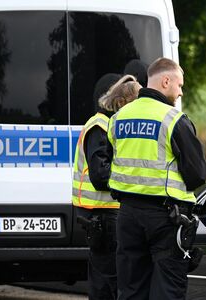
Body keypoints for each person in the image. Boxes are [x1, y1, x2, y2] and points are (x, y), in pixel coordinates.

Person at [107, 58, 206, 299]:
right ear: (165, 81)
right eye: (179, 85)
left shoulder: (119, 117)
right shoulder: (173, 119)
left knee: (131, 289)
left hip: (127, 215)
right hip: (164, 218)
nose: (180, 91)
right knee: (166, 289)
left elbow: (113, 160)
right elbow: (198, 173)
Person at [72, 74, 142, 300]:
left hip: (106, 213)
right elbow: (101, 175)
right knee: (107, 279)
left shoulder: (110, 125)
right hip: (101, 213)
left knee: (109, 276)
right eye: (136, 103)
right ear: (121, 103)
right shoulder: (100, 126)